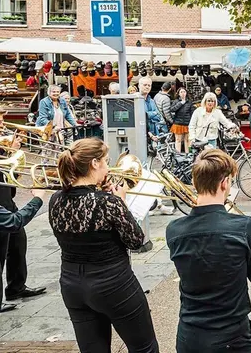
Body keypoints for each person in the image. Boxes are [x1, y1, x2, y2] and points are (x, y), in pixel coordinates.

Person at [49, 139, 158, 352]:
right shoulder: (108, 202)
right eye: (106, 161)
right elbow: (136, 240)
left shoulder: (55, 200)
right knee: (144, 348)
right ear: (95, 164)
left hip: (72, 284)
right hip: (113, 283)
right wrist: (122, 202)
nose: (109, 167)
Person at [166, 149, 251, 352]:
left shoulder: (173, 230)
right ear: (224, 183)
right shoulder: (245, 226)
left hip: (189, 336)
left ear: (195, 184)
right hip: (232, 337)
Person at [0, 181, 46, 316]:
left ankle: (16, 287)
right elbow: (15, 222)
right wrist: (38, 198)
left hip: (7, 203)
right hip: (3, 212)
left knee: (18, 244)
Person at [170, 87, 194, 153]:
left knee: (188, 140)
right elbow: (172, 109)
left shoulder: (189, 102)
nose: (183, 93)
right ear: (179, 94)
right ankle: (178, 156)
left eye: (184, 92)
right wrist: (181, 103)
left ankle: (189, 154)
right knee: (178, 140)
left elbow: (192, 113)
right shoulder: (176, 101)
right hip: (178, 123)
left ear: (186, 93)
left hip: (187, 124)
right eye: (181, 92)